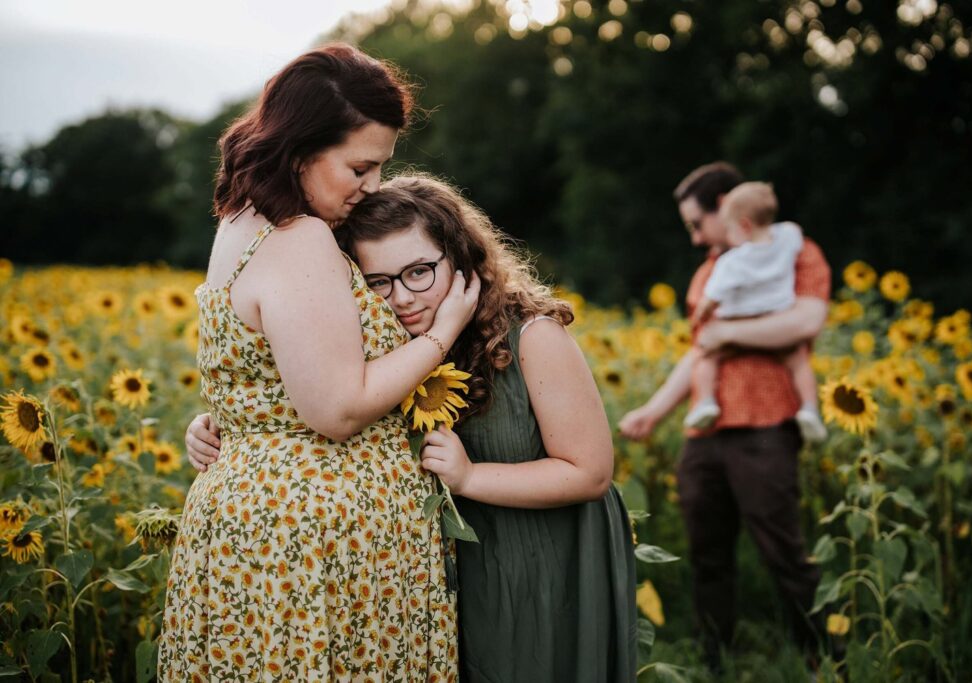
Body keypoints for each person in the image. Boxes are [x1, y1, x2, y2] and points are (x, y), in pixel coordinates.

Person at [188, 175, 638, 682]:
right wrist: (226, 425)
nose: (402, 297)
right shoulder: (381, 348)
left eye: (420, 271)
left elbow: (591, 473)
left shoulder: (533, 336)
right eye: (378, 281)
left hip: (539, 560)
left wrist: (468, 479)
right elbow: (313, 397)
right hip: (439, 574)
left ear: (463, 259)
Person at [159, 44, 479, 682]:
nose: (372, 187)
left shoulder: (240, 224)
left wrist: (234, 424)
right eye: (360, 166)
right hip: (315, 544)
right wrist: (439, 338)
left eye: (380, 169)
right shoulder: (297, 239)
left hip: (267, 523)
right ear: (302, 149)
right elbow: (335, 410)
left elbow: (266, 373)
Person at [618, 162, 830, 666]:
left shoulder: (798, 253)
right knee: (707, 550)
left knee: (784, 551)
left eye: (698, 224)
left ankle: (823, 658)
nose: (694, 238)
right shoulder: (711, 271)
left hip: (767, 425)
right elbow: (699, 353)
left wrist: (730, 333)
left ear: (728, 207)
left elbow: (804, 321)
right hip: (705, 432)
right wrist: (655, 410)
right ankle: (718, 658)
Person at [684, 181, 827, 444]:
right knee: (798, 363)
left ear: (745, 226)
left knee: (707, 358)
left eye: (729, 229)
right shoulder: (789, 241)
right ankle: (810, 409)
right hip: (776, 315)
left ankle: (705, 402)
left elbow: (712, 297)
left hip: (738, 318)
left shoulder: (733, 261)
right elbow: (791, 230)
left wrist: (703, 316)